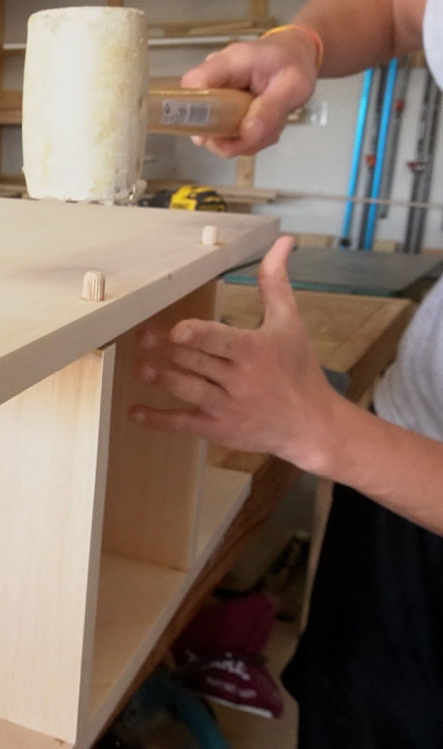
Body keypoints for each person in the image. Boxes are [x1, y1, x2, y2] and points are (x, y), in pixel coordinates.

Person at [130, 2, 443, 746]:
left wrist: (322, 429)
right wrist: (304, 42)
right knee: (351, 709)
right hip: (404, 454)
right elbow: (404, 15)